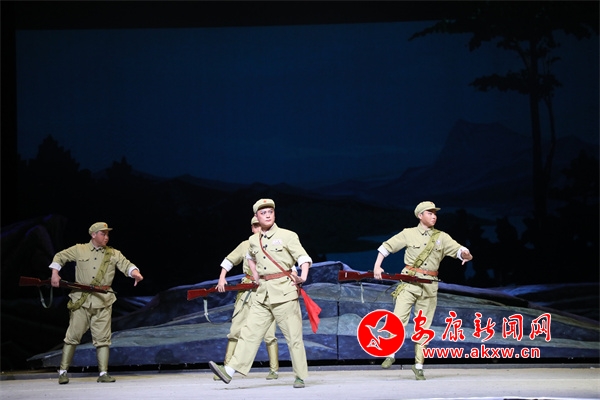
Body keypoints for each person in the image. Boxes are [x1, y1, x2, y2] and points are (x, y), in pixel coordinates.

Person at [209, 199, 312, 389]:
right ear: (256, 217)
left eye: (270, 211)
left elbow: (303, 257)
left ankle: (299, 376)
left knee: (293, 337)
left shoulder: (287, 235)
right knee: (249, 333)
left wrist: (303, 276)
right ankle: (229, 371)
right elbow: (250, 257)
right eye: (263, 213)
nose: (267, 215)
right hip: (262, 293)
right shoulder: (252, 240)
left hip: (284, 292)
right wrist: (256, 276)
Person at [373, 201, 473, 381]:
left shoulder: (441, 237)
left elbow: (459, 250)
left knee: (423, 326)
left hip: (429, 286)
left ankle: (418, 365)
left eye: (435, 213)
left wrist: (465, 254)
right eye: (429, 213)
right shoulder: (408, 233)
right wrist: (377, 266)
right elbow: (386, 247)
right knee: (397, 319)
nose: (434, 216)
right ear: (420, 215)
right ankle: (391, 353)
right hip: (409, 283)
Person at [49, 222, 143, 384]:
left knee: (103, 339)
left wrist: (135, 273)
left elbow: (126, 264)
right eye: (103, 234)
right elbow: (59, 257)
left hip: (103, 301)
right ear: (93, 235)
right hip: (81, 301)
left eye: (107, 234)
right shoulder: (80, 249)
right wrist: (55, 273)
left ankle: (103, 373)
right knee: (72, 337)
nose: (106, 237)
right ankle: (63, 372)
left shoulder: (113, 253)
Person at [213, 216, 279, 381]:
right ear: (252, 228)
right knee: (235, 330)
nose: (258, 229)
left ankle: (274, 370)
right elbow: (229, 261)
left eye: (260, 226)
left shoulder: (272, 244)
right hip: (247, 291)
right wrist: (222, 278)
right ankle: (226, 368)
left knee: (269, 334)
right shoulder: (245, 245)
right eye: (255, 226)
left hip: (266, 290)